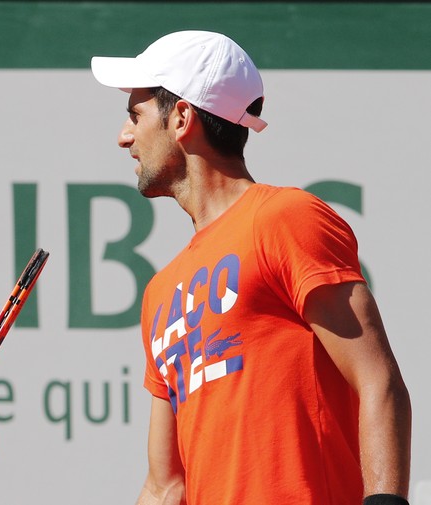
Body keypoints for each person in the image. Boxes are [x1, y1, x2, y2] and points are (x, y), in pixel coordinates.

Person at [91, 31, 411, 505]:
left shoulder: (287, 218)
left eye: (135, 116)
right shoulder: (160, 291)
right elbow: (165, 484)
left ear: (182, 118)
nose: (124, 137)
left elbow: (378, 380)